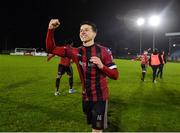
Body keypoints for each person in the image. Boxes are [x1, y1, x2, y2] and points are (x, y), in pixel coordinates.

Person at [46, 19, 119, 132]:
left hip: (100, 98)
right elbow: (51, 49)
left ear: (94, 33)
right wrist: (51, 29)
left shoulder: (104, 51)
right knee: (91, 123)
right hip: (85, 97)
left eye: (86, 30)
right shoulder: (75, 51)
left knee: (96, 129)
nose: (82, 32)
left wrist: (102, 66)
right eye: (81, 30)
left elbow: (115, 75)